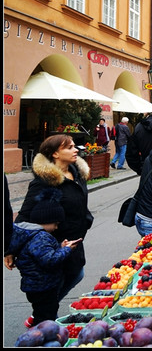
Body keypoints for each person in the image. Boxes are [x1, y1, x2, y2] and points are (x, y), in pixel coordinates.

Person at [8, 134, 94, 327]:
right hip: (53, 242)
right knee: (64, 278)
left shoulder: (77, 172)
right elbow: (25, 214)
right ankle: (42, 318)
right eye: (70, 147)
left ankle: (43, 311)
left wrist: (86, 219)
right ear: (55, 153)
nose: (76, 150)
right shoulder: (44, 181)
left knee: (76, 273)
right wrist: (10, 248)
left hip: (74, 238)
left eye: (74, 146)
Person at [6, 188, 81, 326]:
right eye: (56, 224)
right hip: (43, 286)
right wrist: (67, 250)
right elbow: (49, 260)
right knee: (47, 315)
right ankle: (43, 337)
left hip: (35, 286)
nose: (56, 228)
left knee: (42, 312)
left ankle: (40, 327)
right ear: (46, 220)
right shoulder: (41, 237)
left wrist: (60, 246)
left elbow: (41, 254)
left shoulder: (31, 234)